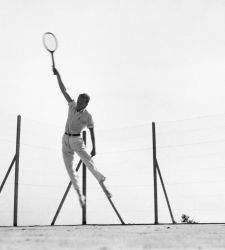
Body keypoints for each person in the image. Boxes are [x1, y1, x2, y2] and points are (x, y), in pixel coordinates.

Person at [52, 67, 111, 208]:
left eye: (81, 101)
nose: (78, 102)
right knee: (69, 168)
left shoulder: (87, 116)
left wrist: (94, 147)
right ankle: (79, 194)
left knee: (89, 162)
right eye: (78, 99)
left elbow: (91, 131)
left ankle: (103, 184)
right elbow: (63, 90)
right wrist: (58, 75)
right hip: (65, 139)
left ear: (86, 103)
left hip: (77, 140)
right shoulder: (72, 105)